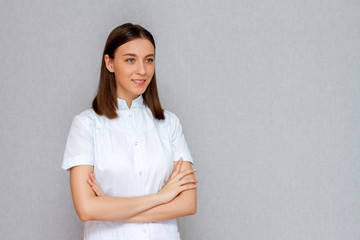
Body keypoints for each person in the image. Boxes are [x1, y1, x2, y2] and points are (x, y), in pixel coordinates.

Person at [61, 23, 197, 240]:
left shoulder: (169, 123)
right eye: (130, 60)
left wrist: (109, 208)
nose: (142, 70)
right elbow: (87, 209)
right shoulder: (86, 125)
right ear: (110, 63)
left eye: (149, 59)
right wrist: (162, 196)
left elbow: (188, 203)